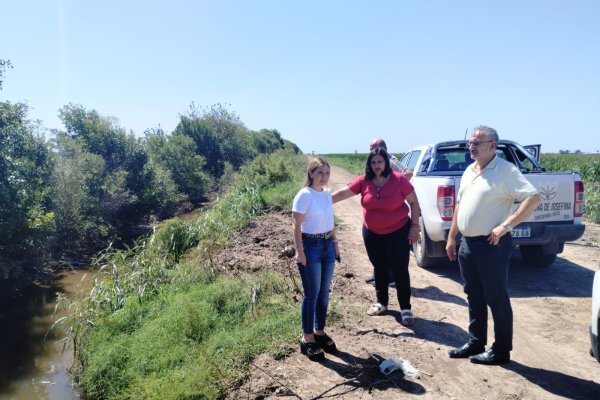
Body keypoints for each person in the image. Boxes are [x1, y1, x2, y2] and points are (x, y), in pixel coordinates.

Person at [446, 125, 541, 365]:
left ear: (493, 145)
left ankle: (501, 351)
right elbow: (460, 206)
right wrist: (451, 237)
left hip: (492, 244)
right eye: (470, 142)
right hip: (468, 244)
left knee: (496, 297)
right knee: (473, 295)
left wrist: (507, 225)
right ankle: (476, 342)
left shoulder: (506, 171)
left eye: (477, 142)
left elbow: (533, 198)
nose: (472, 146)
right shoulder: (469, 170)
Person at [333, 148, 421, 326]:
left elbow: (414, 202)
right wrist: (320, 200)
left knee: (400, 270)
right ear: (369, 164)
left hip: (398, 232)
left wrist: (415, 226)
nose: (377, 165)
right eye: (373, 162)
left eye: (380, 162)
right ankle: (382, 303)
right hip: (372, 234)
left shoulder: (398, 180)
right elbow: (344, 193)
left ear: (386, 163)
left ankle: (406, 308)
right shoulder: (364, 181)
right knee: (379, 268)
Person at [292, 157, 340, 361]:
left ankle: (319, 332)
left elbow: (330, 221)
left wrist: (336, 244)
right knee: (311, 294)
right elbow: (295, 226)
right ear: (311, 173)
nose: (324, 177)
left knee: (324, 293)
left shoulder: (327, 194)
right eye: (320, 173)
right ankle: (307, 338)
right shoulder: (304, 195)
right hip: (310, 247)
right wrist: (299, 251)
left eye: (327, 173)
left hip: (328, 245)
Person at [364, 138, 413, 286]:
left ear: (382, 148)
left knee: (392, 249)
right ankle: (378, 274)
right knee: (377, 251)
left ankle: (391, 277)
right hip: (377, 213)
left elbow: (408, 172)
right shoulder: (375, 161)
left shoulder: (391, 160)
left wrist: (393, 185)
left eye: (373, 147)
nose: (371, 151)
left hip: (393, 212)